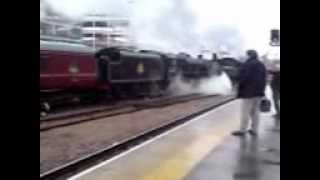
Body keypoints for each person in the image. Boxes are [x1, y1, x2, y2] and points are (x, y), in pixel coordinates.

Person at [232, 50, 267, 136]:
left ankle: (242, 130)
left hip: (248, 92)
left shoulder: (248, 64)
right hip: (258, 92)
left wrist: (238, 85)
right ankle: (254, 130)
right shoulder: (261, 65)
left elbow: (244, 77)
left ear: (249, 55)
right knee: (255, 112)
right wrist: (262, 91)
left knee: (245, 112)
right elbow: (264, 78)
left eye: (246, 55)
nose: (245, 57)